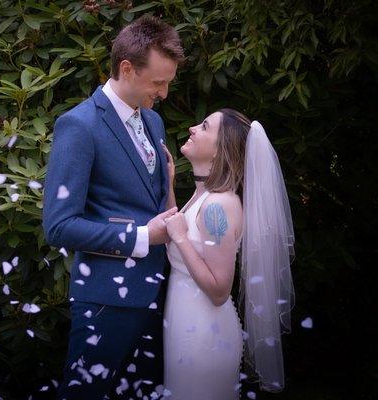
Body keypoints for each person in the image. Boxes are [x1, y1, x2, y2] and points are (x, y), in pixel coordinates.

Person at [42, 15, 185, 399]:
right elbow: (58, 226)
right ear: (126, 68)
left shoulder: (153, 122)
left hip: (156, 292)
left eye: (169, 82)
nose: (165, 93)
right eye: (158, 82)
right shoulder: (79, 126)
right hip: (106, 300)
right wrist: (141, 236)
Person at [162, 109, 295, 399]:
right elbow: (179, 235)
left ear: (219, 151)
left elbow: (220, 289)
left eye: (204, 127)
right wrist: (169, 185)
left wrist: (181, 237)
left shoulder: (219, 205)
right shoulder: (205, 195)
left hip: (205, 337)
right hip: (186, 326)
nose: (193, 128)